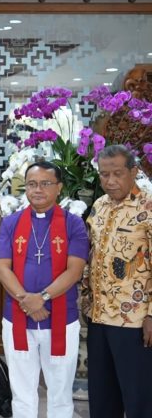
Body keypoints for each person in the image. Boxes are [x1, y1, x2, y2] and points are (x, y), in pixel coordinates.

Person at [0, 161, 88, 418]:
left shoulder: (73, 224)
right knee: (22, 393)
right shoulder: (11, 223)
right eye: (32, 184)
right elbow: (2, 268)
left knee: (60, 394)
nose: (37, 189)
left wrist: (42, 298)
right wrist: (27, 301)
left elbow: (75, 271)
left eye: (45, 183)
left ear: (59, 187)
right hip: (17, 318)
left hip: (61, 320)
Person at [82, 144, 152, 418]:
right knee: (102, 398)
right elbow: (91, 255)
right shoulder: (99, 206)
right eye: (104, 174)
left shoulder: (148, 206)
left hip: (134, 321)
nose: (110, 181)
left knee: (139, 400)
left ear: (133, 172)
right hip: (98, 317)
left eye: (117, 174)